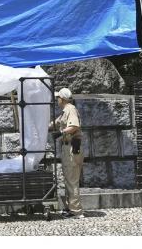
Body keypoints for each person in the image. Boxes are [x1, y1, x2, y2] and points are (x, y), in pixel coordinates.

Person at [49, 88, 84, 219]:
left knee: (72, 180)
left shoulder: (71, 109)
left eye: (58, 97)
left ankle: (76, 211)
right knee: (69, 179)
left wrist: (62, 132)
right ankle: (72, 208)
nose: (57, 99)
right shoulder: (65, 111)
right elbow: (55, 123)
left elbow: (74, 126)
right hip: (68, 149)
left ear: (62, 99)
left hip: (71, 149)